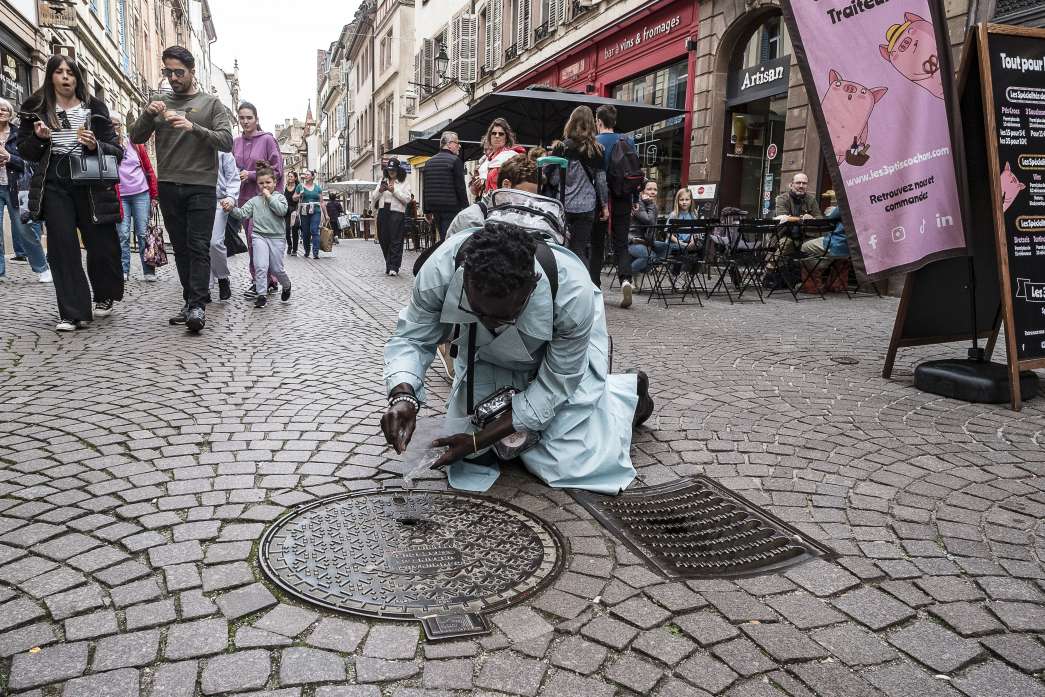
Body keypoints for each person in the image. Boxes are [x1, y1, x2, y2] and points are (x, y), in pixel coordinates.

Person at [381, 220, 654, 494]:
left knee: (568, 463)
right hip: (486, 355)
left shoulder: (572, 296)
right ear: (464, 277)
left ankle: (627, 394)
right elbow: (412, 338)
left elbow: (554, 385)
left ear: (530, 289)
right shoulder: (439, 273)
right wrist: (404, 396)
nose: (489, 325)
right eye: (478, 312)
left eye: (502, 317)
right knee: (473, 460)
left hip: (555, 360)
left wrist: (478, 439)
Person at [131, 45, 233, 333]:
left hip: (201, 184)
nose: (174, 77)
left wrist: (193, 127)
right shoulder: (159, 102)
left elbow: (226, 141)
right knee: (182, 249)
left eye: (179, 72)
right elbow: (136, 136)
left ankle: (199, 305)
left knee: (199, 245)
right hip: (168, 184)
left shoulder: (211, 104)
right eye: (169, 72)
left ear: (192, 72)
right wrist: (148, 115)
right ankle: (190, 302)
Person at [18, 55, 123, 331]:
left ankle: (104, 294)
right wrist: (39, 139)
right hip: (54, 182)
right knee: (62, 246)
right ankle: (72, 312)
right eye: (60, 72)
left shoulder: (95, 107)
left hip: (90, 183)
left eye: (71, 72)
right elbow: (25, 151)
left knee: (101, 245)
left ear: (78, 78)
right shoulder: (36, 108)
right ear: (50, 76)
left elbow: (116, 151)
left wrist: (94, 145)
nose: (65, 77)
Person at [224, 160, 291, 308]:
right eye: (261, 183)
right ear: (257, 185)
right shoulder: (254, 201)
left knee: (276, 268)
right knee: (260, 266)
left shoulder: (279, 197)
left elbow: (281, 211)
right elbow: (242, 213)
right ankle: (261, 295)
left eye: (268, 182)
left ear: (274, 183)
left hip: (277, 238)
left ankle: (286, 285)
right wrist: (231, 208)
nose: (265, 186)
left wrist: (269, 197)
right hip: (259, 236)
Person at [549, 106, 609, 272]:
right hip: (587, 207)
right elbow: (601, 181)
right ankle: (586, 288)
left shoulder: (561, 148)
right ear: (591, 124)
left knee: (561, 248)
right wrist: (604, 206)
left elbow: (553, 180)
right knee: (579, 249)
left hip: (563, 205)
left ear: (571, 123)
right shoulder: (597, 150)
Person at [1, 97, 51, 283]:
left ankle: (41, 268)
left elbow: (30, 161)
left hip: (18, 186)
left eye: (5, 109)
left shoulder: (18, 133)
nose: (1, 112)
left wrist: (9, 158)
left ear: (10, 113)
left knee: (25, 228)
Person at [593, 104, 639, 302]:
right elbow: (634, 172)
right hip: (624, 198)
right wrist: (635, 199)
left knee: (597, 244)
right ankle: (626, 280)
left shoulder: (595, 142)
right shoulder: (627, 141)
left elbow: (595, 175)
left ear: (599, 122)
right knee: (621, 243)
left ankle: (595, 287)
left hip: (601, 199)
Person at [111, 111, 158, 282]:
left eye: (116, 124)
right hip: (120, 196)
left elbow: (149, 170)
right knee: (122, 234)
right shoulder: (105, 145)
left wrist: (154, 196)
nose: (113, 128)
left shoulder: (135, 144)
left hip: (140, 194)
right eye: (110, 125)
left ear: (121, 126)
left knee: (143, 233)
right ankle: (123, 270)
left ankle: (148, 271)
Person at [766, 172, 823, 286]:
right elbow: (783, 217)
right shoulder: (782, 199)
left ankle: (810, 282)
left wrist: (812, 218)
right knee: (785, 244)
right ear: (791, 185)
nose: (801, 186)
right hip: (785, 235)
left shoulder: (811, 199)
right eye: (798, 183)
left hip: (806, 237)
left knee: (820, 247)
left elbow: (819, 217)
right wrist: (802, 218)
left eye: (804, 183)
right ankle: (770, 269)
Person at [422, 130, 468, 241]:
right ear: (448, 144)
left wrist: (426, 210)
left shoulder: (429, 162)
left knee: (443, 237)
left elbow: (425, 188)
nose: (459, 146)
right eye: (457, 143)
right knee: (450, 239)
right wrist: (466, 208)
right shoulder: (455, 161)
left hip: (435, 208)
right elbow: (460, 187)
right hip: (451, 207)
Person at [370, 158, 411, 276]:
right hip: (383, 211)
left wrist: (394, 191)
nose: (391, 172)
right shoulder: (382, 180)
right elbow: (373, 197)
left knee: (396, 240)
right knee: (384, 239)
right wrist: (380, 190)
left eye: (393, 170)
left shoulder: (404, 182)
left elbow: (407, 199)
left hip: (397, 212)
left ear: (398, 170)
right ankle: (389, 263)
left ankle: (394, 266)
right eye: (389, 170)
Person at [208, 151, 240, 300]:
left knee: (214, 242)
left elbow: (233, 177)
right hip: (196, 199)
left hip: (219, 201)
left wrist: (231, 197)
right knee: (199, 244)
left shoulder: (223, 150)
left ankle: (222, 277)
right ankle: (204, 287)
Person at [626, 180, 667, 286]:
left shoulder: (651, 204)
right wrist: (650, 204)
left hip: (645, 241)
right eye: (649, 189)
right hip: (632, 240)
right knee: (649, 256)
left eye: (655, 189)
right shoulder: (638, 202)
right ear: (642, 191)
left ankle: (641, 270)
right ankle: (626, 275)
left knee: (666, 247)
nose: (653, 192)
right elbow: (650, 221)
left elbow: (651, 227)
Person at [474, 118, 525, 197]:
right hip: (488, 202)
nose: (497, 136)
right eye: (494, 133)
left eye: (501, 134)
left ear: (506, 137)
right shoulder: (488, 159)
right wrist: (477, 185)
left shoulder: (511, 157)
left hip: (504, 202)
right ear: (490, 136)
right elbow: (478, 191)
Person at [296, 170, 325, 260]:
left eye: (308, 174)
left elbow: (322, 202)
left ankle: (315, 252)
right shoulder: (300, 186)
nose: (306, 175)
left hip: (316, 210)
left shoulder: (318, 188)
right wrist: (299, 195)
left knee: (314, 230)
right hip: (304, 211)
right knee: (306, 233)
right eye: (305, 174)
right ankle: (307, 251)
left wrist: (326, 214)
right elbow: (294, 197)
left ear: (312, 177)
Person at [668, 187, 700, 252]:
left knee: (699, 245)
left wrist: (692, 242)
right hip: (676, 242)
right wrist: (681, 243)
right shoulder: (674, 214)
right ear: (677, 201)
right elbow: (668, 234)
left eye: (687, 199)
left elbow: (695, 231)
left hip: (689, 242)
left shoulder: (693, 214)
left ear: (691, 200)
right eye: (681, 200)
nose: (684, 202)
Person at [282, 170, 301, 254]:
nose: (289, 178)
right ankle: (289, 245)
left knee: (294, 230)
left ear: (295, 178)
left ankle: (294, 249)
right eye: (288, 176)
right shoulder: (285, 187)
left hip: (294, 210)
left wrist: (297, 211)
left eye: (291, 176)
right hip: (286, 210)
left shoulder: (298, 187)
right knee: (286, 230)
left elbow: (300, 200)